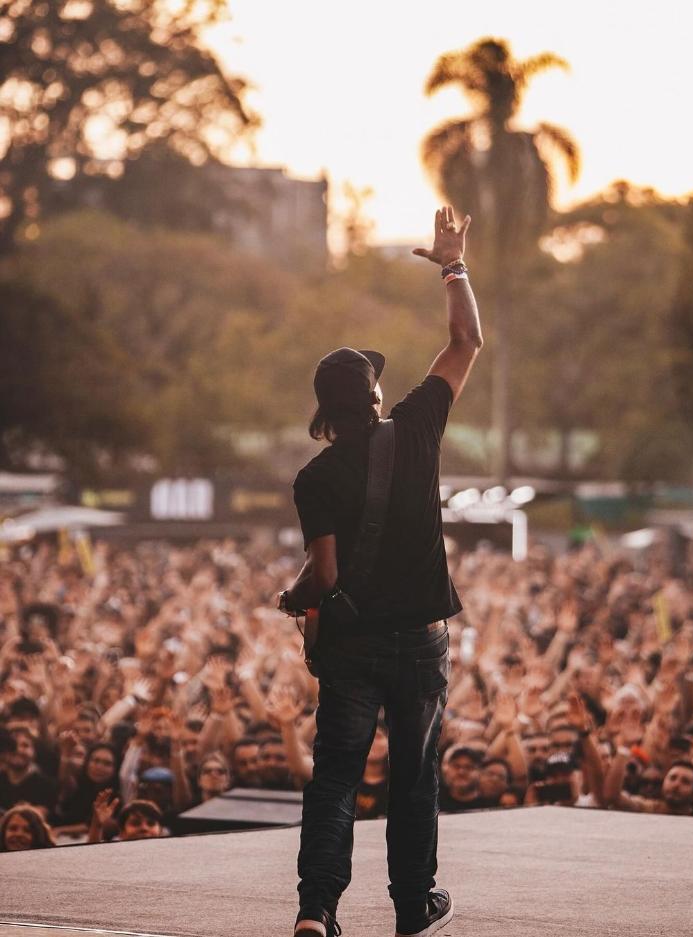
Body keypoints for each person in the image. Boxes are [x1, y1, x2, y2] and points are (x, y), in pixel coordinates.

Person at [278, 206, 481, 937]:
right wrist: (453, 265)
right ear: (372, 395)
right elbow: (466, 339)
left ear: (322, 412)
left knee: (335, 773)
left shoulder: (316, 476)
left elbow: (323, 576)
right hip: (420, 639)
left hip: (354, 647)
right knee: (414, 774)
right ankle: (410, 905)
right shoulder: (418, 425)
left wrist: (288, 596)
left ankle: (316, 908)